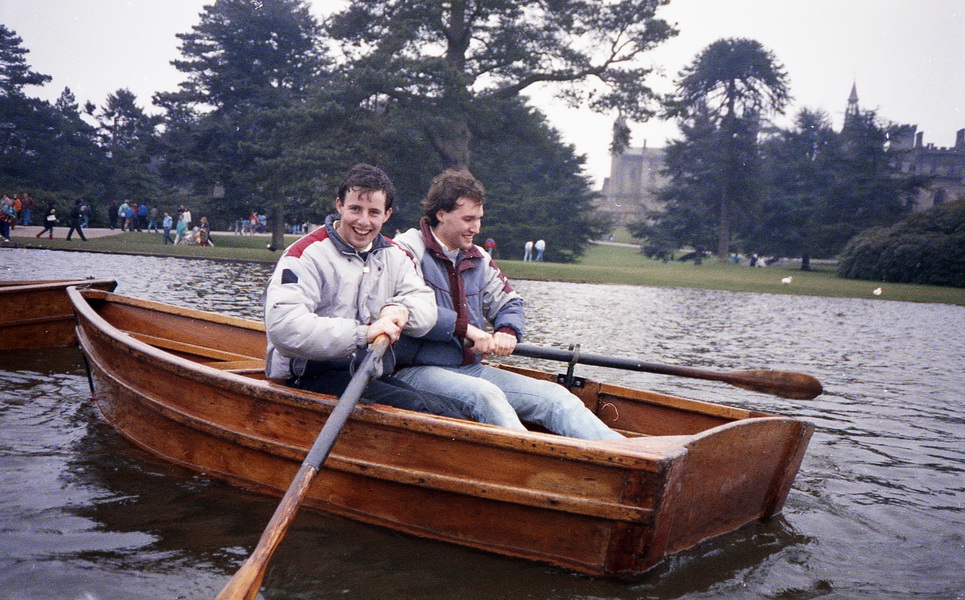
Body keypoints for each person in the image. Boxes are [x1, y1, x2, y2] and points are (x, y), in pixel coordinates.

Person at [392, 169, 623, 441]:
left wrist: (507, 330)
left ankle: (630, 456)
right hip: (412, 371)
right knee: (486, 395)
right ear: (441, 214)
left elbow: (510, 302)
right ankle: (532, 461)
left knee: (555, 396)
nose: (476, 228)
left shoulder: (478, 257)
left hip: (469, 369)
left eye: (479, 219)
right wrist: (467, 330)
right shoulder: (405, 249)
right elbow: (408, 307)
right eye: (468, 219)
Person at [264, 163, 463, 416]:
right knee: (422, 409)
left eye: (374, 212)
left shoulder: (396, 255)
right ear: (339, 205)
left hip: (366, 374)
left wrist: (400, 309)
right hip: (308, 377)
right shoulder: (303, 255)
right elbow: (285, 328)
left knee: (450, 410)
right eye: (355, 209)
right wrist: (364, 334)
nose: (363, 221)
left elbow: (425, 308)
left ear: (386, 214)